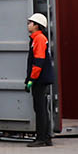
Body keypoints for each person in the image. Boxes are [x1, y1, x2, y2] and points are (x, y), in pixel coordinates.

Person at [24, 12, 55, 147]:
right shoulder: (36, 38)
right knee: (41, 108)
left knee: (40, 108)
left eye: (30, 23)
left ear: (37, 25)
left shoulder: (39, 39)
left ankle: (41, 138)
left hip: (39, 79)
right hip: (40, 78)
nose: (28, 25)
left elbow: (38, 61)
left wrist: (31, 79)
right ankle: (46, 137)